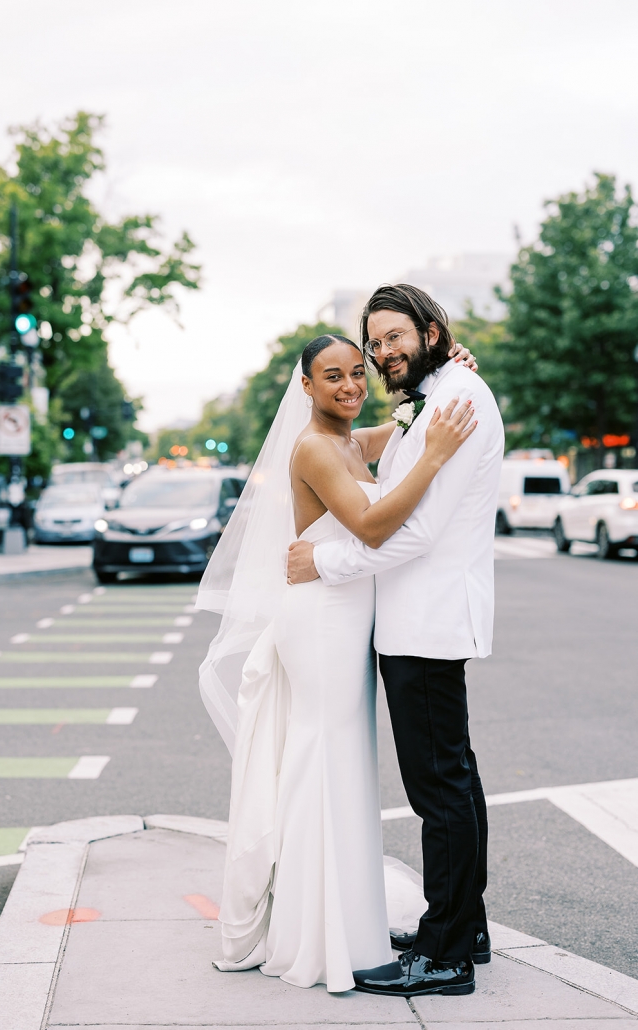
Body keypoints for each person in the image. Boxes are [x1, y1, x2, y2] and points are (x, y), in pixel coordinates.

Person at [196, 329, 477, 993]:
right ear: (305, 386)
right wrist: (432, 460)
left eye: (357, 371)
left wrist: (446, 371)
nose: (350, 385)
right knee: (321, 760)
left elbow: (402, 418)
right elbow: (371, 526)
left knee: (344, 763)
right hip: (320, 620)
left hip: (345, 620)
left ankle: (344, 920)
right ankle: (313, 935)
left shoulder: (352, 438)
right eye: (332, 376)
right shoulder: (315, 448)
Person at [288, 284, 505, 998]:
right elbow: (388, 474)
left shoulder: (454, 399)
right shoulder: (435, 394)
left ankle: (445, 955)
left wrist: (324, 561)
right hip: (420, 619)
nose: (382, 352)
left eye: (393, 337)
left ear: (432, 330)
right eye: (373, 341)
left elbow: (411, 532)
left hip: (426, 622)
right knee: (453, 785)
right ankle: (462, 926)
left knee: (438, 793)